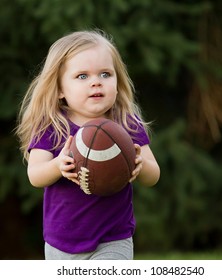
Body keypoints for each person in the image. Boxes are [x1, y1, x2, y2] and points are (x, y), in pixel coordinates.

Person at [16, 30, 160, 260]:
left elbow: (154, 175)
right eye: (82, 76)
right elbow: (34, 175)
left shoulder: (125, 124)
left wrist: (139, 164)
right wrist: (57, 166)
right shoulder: (52, 126)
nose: (96, 82)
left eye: (105, 74)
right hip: (60, 243)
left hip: (113, 239)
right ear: (60, 89)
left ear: (117, 80)